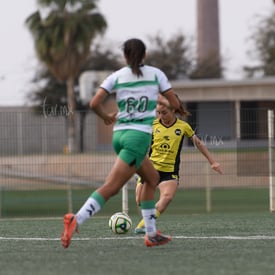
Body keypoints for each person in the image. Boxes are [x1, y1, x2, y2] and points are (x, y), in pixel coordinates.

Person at [60, 38, 181, 248]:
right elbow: (175, 103)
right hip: (137, 137)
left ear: (125, 56)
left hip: (120, 135)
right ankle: (76, 219)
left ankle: (151, 234)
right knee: (112, 187)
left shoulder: (116, 76)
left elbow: (94, 102)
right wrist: (163, 102)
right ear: (144, 55)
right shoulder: (155, 74)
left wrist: (106, 116)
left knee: (152, 179)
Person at [134, 97, 223, 234]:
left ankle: (143, 226)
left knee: (167, 197)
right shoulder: (153, 125)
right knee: (140, 201)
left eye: (164, 112)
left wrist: (213, 162)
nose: (161, 116)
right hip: (150, 170)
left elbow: (198, 143)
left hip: (169, 172)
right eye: (158, 113)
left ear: (173, 110)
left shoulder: (183, 127)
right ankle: (140, 183)